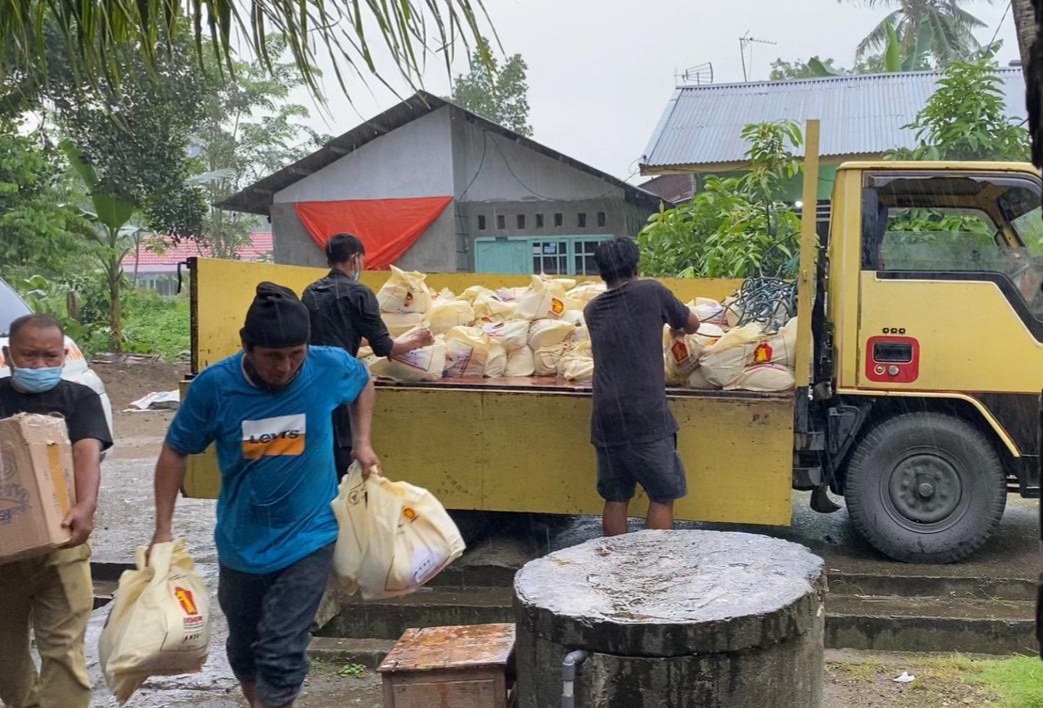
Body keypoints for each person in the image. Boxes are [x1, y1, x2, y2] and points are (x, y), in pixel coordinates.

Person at [151, 282, 379, 708]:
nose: (286, 367)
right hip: (242, 541)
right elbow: (175, 450)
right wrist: (162, 529)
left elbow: (363, 380)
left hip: (310, 536)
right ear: (246, 346)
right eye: (274, 357)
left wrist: (362, 441)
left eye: (296, 354)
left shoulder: (327, 366)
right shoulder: (215, 388)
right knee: (245, 647)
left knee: (280, 649)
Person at [0, 314, 112, 708]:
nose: (39, 366)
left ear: (63, 355)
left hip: (64, 541)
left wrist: (85, 506)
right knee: (6, 657)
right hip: (3, 551)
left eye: (50, 356)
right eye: (29, 356)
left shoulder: (78, 400)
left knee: (63, 648)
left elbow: (87, 454)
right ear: (8, 354)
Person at [583, 238, 700, 537]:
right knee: (662, 494)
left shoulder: (591, 309)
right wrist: (675, 328)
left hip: (605, 418)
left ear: (601, 273)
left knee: (616, 496)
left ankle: (615, 567)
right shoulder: (651, 291)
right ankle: (652, 567)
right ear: (636, 266)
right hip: (644, 415)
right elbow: (692, 323)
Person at [302, 233, 433, 478]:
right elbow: (386, 348)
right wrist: (418, 340)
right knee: (342, 451)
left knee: (319, 450)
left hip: (309, 382)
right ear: (355, 259)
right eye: (362, 259)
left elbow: (337, 331)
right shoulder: (359, 293)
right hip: (340, 382)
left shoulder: (311, 292)